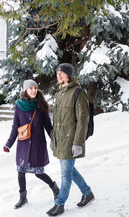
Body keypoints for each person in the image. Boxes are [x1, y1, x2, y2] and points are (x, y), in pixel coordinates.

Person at [46, 63, 94, 216]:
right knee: (70, 171)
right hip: (60, 140)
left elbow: (83, 119)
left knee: (66, 175)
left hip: (71, 140)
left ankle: (59, 204)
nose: (58, 75)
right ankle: (87, 193)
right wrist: (53, 139)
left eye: (62, 73)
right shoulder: (59, 93)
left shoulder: (78, 92)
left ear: (69, 75)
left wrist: (78, 143)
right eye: (57, 72)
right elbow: (56, 120)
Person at [4, 79, 59, 209]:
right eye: (31, 88)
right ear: (25, 90)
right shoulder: (18, 105)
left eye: (35, 88)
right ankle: (23, 197)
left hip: (37, 145)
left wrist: (55, 139)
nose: (34, 90)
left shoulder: (41, 105)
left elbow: (48, 125)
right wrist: (8, 144)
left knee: (39, 172)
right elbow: (15, 126)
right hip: (23, 144)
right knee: (21, 172)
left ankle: (55, 188)